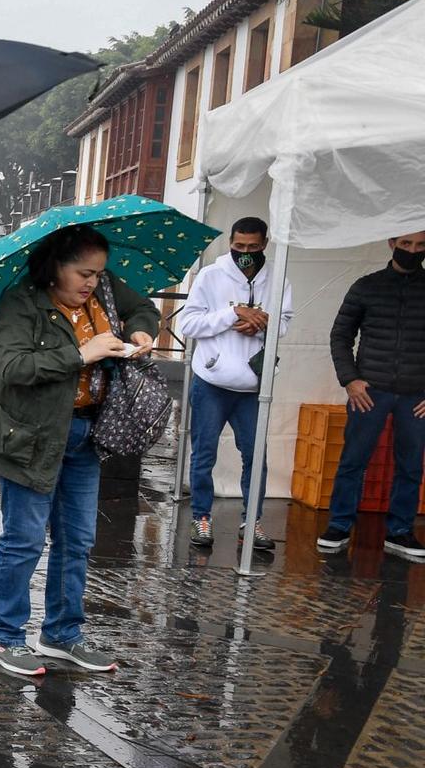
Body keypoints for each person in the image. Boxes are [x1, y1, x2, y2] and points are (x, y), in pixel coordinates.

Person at [0, 225, 158, 679]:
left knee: (77, 539)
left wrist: (139, 332)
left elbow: (142, 308)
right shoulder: (21, 302)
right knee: (24, 540)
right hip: (30, 438)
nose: (92, 283)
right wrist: (82, 354)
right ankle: (1, 636)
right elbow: (13, 366)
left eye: (98, 274)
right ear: (56, 266)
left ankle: (61, 634)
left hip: (85, 435)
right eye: (83, 273)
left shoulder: (108, 292)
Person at [176, 217, 291, 551]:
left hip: (254, 385)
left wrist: (263, 323)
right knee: (204, 453)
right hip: (212, 380)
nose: (245, 253)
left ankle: (251, 521)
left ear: (264, 244)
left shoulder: (278, 276)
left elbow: (284, 322)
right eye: (239, 246)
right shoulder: (211, 275)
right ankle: (201, 517)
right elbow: (189, 323)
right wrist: (232, 314)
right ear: (230, 242)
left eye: (253, 247)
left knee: (256, 456)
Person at [317, 230, 425, 561]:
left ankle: (400, 532)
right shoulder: (366, 286)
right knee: (353, 460)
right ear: (392, 243)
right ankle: (338, 525)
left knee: (410, 465)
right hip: (369, 392)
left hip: (416, 396)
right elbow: (340, 336)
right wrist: (350, 380)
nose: (412, 250)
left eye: (420, 245)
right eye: (406, 244)